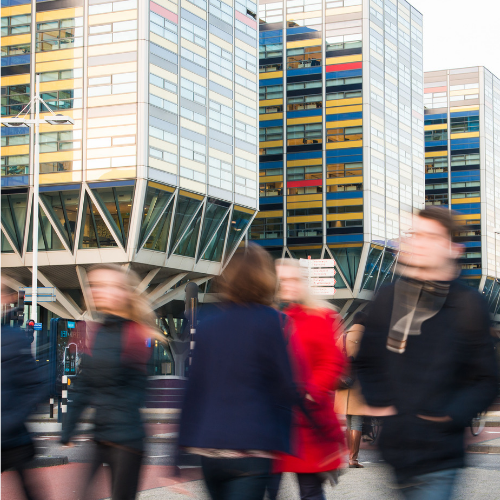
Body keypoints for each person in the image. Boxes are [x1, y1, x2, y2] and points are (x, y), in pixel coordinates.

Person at [356, 207, 499, 500]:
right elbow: (367, 359)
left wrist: (449, 415)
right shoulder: (388, 296)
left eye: (429, 236)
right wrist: (380, 403)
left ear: (453, 248)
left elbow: (487, 378)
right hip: (395, 453)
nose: (417, 242)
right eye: (414, 234)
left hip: (440, 456)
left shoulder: (468, 304)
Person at [178, 244, 300, 500]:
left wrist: (177, 454)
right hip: (251, 448)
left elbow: (194, 387)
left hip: (211, 451)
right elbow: (284, 385)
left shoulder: (208, 322)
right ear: (265, 277)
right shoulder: (271, 321)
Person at [61, 264, 162, 500]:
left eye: (106, 286)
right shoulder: (96, 333)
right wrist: (68, 429)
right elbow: (84, 386)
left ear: (123, 292)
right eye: (94, 286)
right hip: (101, 436)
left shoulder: (136, 334)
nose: (97, 291)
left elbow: (138, 390)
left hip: (127, 441)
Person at [271, 258, 346, 500]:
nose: (288, 285)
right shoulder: (273, 318)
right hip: (278, 419)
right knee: (268, 488)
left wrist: (312, 390)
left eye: (293, 279)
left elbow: (333, 361)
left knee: (310, 489)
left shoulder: (320, 316)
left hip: (308, 418)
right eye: (282, 280)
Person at [2, 287, 48, 500]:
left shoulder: (12, 338)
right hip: (12, 433)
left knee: (29, 490)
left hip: (11, 435)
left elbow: (33, 386)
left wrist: (10, 421)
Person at [334, 310, 368, 468]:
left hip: (343, 383)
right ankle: (353, 459)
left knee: (349, 422)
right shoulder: (368, 338)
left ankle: (349, 456)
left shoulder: (343, 336)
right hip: (361, 384)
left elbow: (334, 358)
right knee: (357, 422)